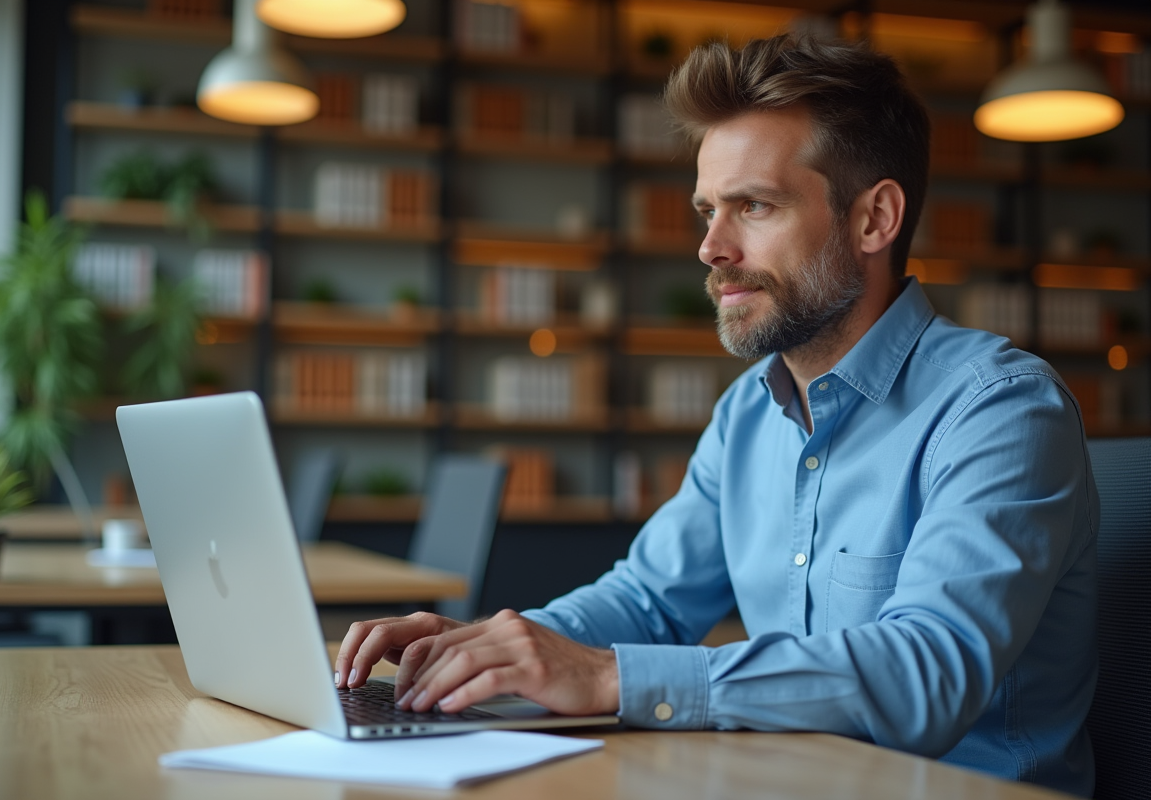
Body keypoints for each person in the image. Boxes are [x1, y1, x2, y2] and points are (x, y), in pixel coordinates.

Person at [334, 34, 1097, 796]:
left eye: (753, 206)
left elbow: (925, 673)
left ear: (875, 219)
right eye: (708, 211)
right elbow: (649, 601)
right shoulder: (748, 415)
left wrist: (606, 677)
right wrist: (486, 649)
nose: (709, 247)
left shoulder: (998, 409)